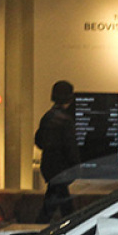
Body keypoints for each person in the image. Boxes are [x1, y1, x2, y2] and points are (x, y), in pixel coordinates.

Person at [35, 80, 80, 222]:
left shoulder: (47, 117)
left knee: (57, 202)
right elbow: (70, 147)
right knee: (58, 206)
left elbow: (39, 141)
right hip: (62, 170)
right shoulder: (67, 121)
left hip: (49, 167)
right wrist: (76, 166)